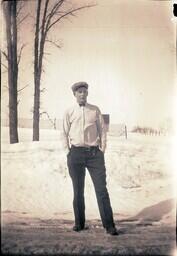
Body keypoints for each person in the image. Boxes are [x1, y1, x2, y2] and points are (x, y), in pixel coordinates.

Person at [62, 81, 118, 235]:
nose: (82, 94)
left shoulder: (95, 110)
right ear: (74, 94)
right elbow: (63, 133)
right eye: (79, 92)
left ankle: (109, 225)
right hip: (76, 154)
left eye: (84, 92)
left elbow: (103, 131)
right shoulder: (69, 112)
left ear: (87, 94)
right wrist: (68, 151)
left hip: (94, 155)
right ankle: (79, 223)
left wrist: (102, 149)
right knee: (78, 190)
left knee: (101, 190)